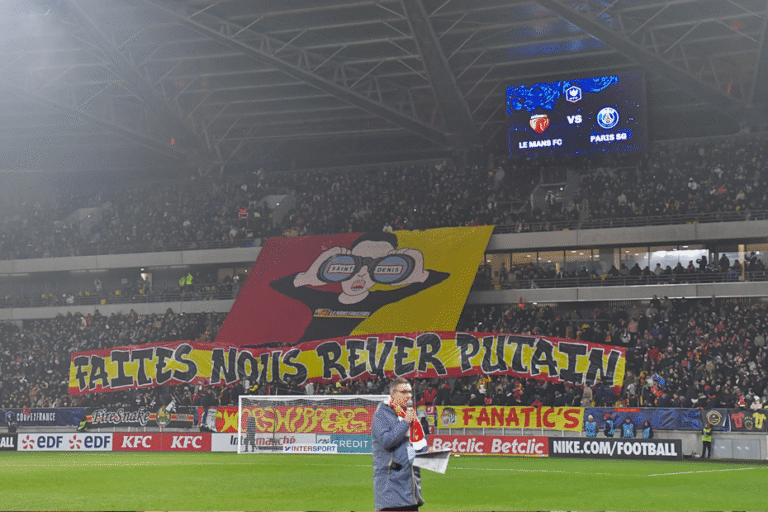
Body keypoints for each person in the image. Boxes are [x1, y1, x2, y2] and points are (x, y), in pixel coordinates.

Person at [271, 232, 449, 344]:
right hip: (308, 362)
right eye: (357, 263)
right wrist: (310, 276)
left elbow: (441, 278)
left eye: (375, 266)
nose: (362, 273)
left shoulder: (378, 299)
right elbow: (276, 285)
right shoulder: (321, 298)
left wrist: (418, 273)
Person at [372, 377, 430, 511]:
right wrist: (405, 422)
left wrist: (427, 450)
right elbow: (387, 441)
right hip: (390, 488)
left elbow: (413, 445)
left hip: (410, 487)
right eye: (403, 392)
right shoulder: (382, 414)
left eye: (409, 392)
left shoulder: (409, 414)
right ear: (393, 394)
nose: (408, 396)